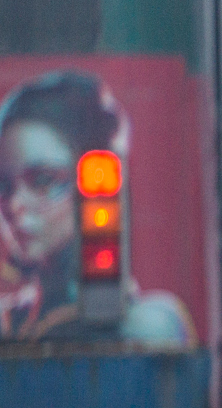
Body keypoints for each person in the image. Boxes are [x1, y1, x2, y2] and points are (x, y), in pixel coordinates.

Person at [0, 71, 189, 346]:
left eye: (43, 180)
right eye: (4, 186)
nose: (14, 206)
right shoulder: (11, 320)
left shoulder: (151, 325)